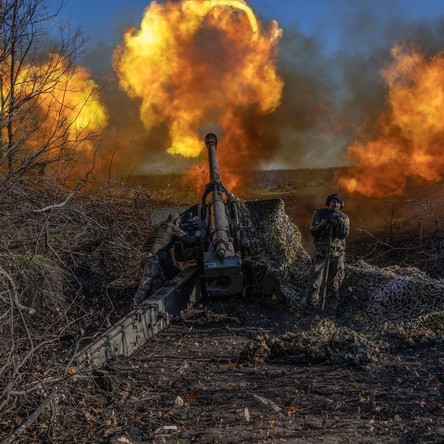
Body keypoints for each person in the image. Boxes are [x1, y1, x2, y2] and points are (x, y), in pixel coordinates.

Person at [133, 212, 199, 306]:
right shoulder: (173, 227)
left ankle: (155, 301)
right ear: (176, 221)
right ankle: (136, 302)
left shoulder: (157, 227)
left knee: (158, 280)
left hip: (144, 254)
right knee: (147, 280)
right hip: (153, 256)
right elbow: (188, 239)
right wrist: (197, 235)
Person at [306, 193, 350, 319]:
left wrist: (339, 225)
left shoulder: (344, 217)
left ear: (341, 205)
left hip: (337, 255)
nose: (335, 204)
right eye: (333, 201)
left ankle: (331, 312)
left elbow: (343, 235)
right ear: (328, 203)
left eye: (338, 202)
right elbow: (314, 232)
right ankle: (311, 309)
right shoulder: (320, 213)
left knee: (334, 284)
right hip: (321, 254)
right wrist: (324, 223)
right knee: (314, 282)